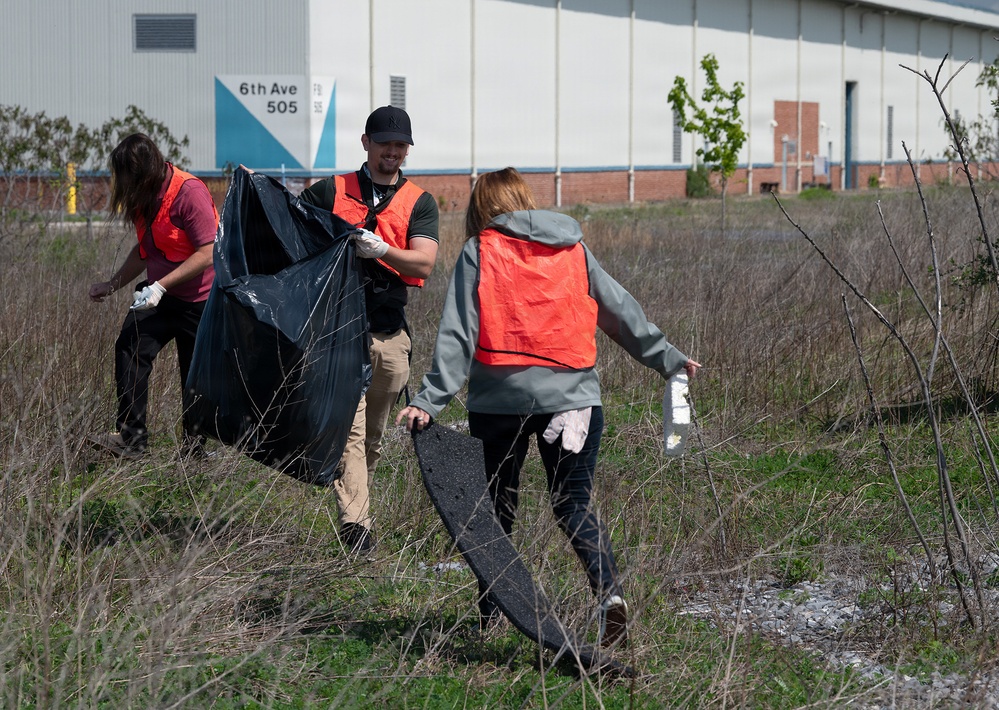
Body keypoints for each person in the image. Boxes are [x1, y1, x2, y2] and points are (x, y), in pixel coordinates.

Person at [397, 167, 700, 648]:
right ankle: (610, 598)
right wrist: (669, 360)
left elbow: (459, 333)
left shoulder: (481, 250)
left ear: (481, 210)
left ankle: (492, 618)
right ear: (526, 199)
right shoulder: (573, 248)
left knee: (494, 511)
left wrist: (430, 399)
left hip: (501, 403)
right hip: (575, 402)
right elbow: (619, 310)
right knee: (573, 505)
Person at [300, 106, 439, 555]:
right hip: (339, 334)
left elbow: (425, 262)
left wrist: (383, 250)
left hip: (390, 335)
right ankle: (356, 527)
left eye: (400, 146)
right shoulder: (330, 190)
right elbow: (292, 233)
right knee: (351, 433)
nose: (393, 153)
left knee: (372, 435)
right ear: (366, 143)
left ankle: (357, 497)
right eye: (385, 145)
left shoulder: (420, 201)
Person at [88, 133, 218, 459]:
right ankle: (131, 441)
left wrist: (161, 285)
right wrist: (112, 283)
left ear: (144, 171)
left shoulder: (189, 192)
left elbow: (208, 252)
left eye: (127, 176)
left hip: (199, 302)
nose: (123, 184)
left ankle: (194, 452)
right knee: (129, 348)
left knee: (194, 376)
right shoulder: (142, 199)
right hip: (155, 298)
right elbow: (144, 250)